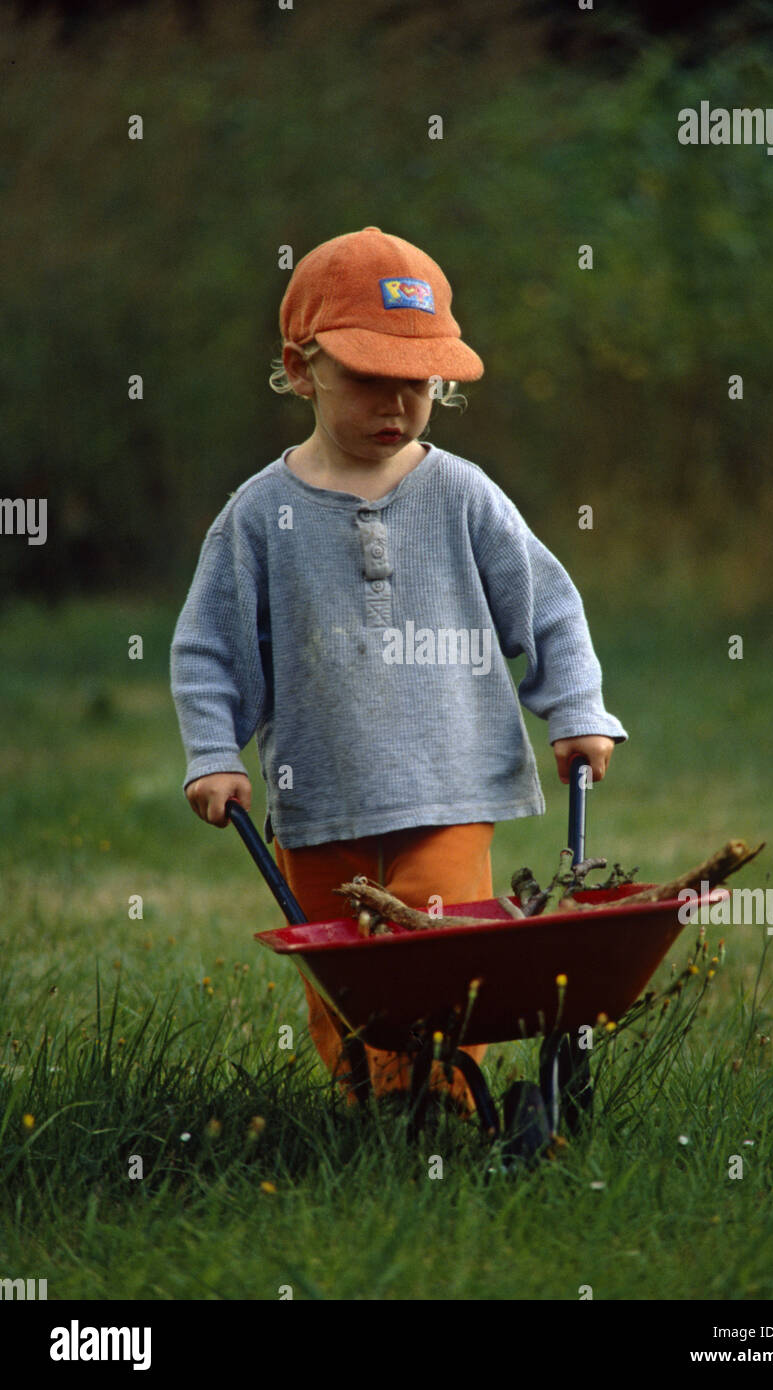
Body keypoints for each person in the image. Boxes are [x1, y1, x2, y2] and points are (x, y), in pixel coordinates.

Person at [170, 226, 627, 1114]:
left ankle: (446, 1106)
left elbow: (550, 608)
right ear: (301, 370)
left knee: (447, 959)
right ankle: (375, 1117)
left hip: (449, 790)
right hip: (320, 796)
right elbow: (209, 646)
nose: (396, 404)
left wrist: (575, 708)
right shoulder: (261, 514)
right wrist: (213, 752)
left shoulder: (463, 495)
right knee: (344, 976)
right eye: (370, 380)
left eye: (416, 384)